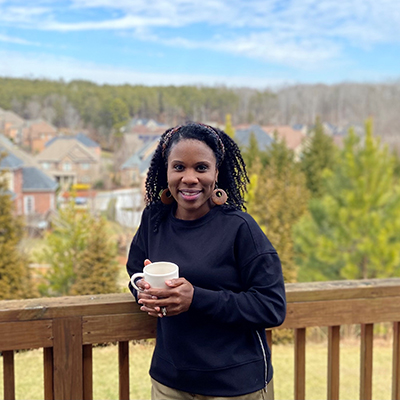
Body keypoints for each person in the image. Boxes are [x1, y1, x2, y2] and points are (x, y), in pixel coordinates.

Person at [126, 122, 286, 400]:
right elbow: (135, 271)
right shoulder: (154, 219)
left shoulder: (240, 228)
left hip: (235, 387)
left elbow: (272, 307)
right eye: (179, 167)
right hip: (170, 383)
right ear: (166, 171)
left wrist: (196, 299)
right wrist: (143, 289)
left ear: (216, 173)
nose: (189, 178)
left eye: (201, 168)